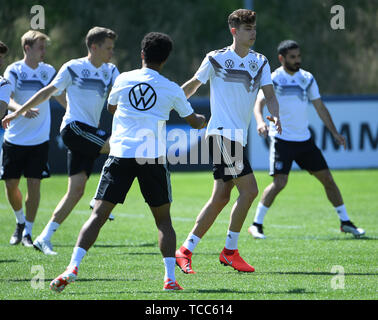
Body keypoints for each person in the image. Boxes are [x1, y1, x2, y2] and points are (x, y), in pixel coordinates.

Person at [49, 32, 206, 293]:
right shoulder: (171, 88)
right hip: (151, 157)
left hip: (120, 154)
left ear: (142, 54)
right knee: (163, 221)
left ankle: (72, 267)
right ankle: (169, 279)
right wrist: (202, 120)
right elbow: (193, 121)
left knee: (98, 215)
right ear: (165, 59)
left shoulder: (123, 78)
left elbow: (111, 108)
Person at [175, 9, 281, 275]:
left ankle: (185, 251)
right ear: (234, 31)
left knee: (221, 197)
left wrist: (275, 114)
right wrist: (172, 100)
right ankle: (230, 252)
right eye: (247, 29)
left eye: (254, 28)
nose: (253, 33)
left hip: (238, 137)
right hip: (221, 133)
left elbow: (269, 94)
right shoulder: (216, 59)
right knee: (250, 190)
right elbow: (192, 86)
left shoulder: (261, 61)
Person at [2, 27, 120, 254]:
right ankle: (100, 197)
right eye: (108, 48)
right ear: (93, 47)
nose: (111, 52)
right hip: (74, 128)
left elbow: (121, 96)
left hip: (89, 132)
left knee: (75, 191)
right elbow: (46, 92)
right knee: (120, 147)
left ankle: (44, 237)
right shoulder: (73, 68)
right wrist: (17, 112)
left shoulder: (111, 70)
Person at [248, 40, 365, 239]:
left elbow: (320, 107)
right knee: (280, 182)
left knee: (328, 179)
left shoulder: (307, 78)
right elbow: (258, 105)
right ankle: (256, 224)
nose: (297, 60)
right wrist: (260, 122)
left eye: (299, 56)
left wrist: (335, 133)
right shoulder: (274, 78)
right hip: (282, 139)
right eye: (292, 57)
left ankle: (345, 222)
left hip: (304, 141)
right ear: (281, 58)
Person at [1, 31, 66, 247]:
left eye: (45, 47)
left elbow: (58, 94)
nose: (44, 52)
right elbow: (6, 98)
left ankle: (28, 231)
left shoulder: (48, 71)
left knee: (34, 186)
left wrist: (72, 112)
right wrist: (21, 110)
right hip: (14, 138)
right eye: (40, 47)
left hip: (39, 140)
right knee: (11, 185)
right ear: (27, 48)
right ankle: (19, 222)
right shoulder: (14, 70)